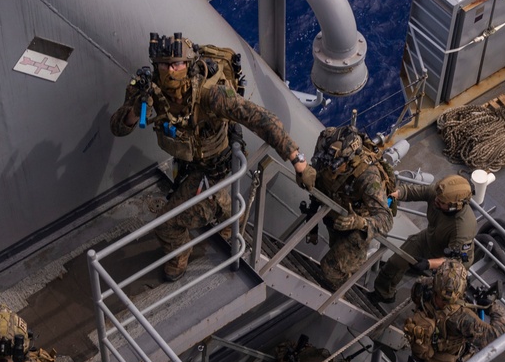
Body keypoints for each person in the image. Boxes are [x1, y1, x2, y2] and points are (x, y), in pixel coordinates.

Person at [111, 33, 316, 281]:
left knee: (167, 226)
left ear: (188, 64)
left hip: (214, 171)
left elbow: (264, 121)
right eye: (164, 65)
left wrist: (299, 161)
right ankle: (229, 219)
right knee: (218, 211)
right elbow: (118, 127)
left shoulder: (211, 94)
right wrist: (136, 109)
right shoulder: (149, 89)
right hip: (190, 164)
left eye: (176, 64)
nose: (170, 71)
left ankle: (180, 258)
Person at [402, 261, 505, 362]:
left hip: (424, 349)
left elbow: (415, 292)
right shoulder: (460, 318)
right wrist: (494, 307)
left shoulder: (423, 287)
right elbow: (497, 334)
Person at [310, 124, 395, 289]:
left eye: (337, 164)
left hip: (357, 225)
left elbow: (386, 220)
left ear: (349, 160)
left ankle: (337, 291)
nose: (330, 167)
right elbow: (318, 176)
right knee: (335, 248)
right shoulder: (326, 140)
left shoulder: (368, 177)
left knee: (331, 270)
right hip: (336, 211)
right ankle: (347, 266)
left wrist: (360, 223)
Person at [372, 173, 477, 304]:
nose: (436, 201)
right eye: (437, 198)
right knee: (395, 263)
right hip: (427, 240)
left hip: (450, 263)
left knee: (436, 296)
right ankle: (383, 294)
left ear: (455, 206)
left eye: (441, 202)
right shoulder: (438, 195)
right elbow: (411, 192)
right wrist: (390, 199)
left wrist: (428, 264)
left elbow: (455, 260)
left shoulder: (463, 227)